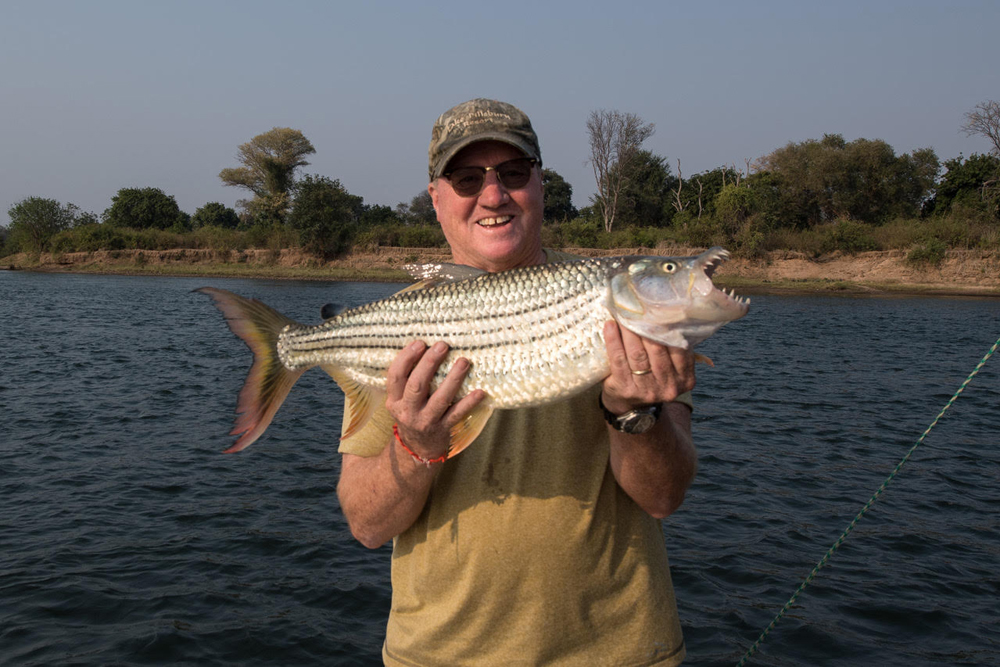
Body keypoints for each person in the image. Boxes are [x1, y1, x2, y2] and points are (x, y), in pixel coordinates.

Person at [336, 99, 698, 666]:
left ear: (540, 183)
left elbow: (664, 497)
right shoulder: (395, 328)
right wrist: (415, 447)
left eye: (512, 173)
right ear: (435, 198)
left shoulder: (625, 306)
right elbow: (366, 525)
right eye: (465, 179)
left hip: (621, 652)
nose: (492, 195)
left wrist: (635, 416)